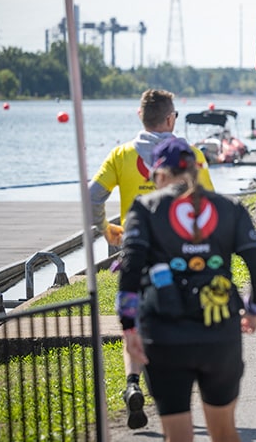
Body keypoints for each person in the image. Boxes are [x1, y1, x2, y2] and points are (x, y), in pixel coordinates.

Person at [117, 137, 256, 442]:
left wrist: (128, 327)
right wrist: (253, 310)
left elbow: (130, 268)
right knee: (225, 431)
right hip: (219, 333)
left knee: (178, 436)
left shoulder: (145, 208)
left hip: (163, 336)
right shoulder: (229, 208)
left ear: (160, 174)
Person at [88, 88, 214, 430]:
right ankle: (175, 395)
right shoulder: (190, 154)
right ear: (171, 118)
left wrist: (105, 229)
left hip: (136, 252)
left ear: (140, 118)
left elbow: (92, 196)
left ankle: (132, 381)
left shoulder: (121, 155)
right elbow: (210, 203)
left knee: (135, 324)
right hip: (181, 254)